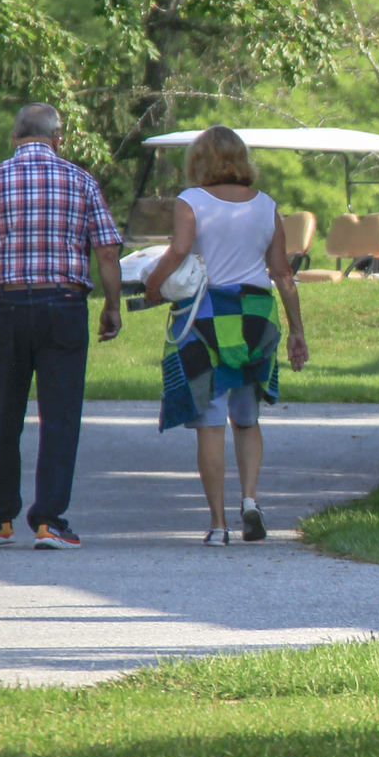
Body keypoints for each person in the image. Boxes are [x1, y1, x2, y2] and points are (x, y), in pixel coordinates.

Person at [0, 103, 124, 549]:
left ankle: (0, 518)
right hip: (63, 304)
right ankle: (49, 521)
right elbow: (105, 252)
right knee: (60, 416)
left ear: (14, 137)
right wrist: (112, 306)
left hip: (5, 307)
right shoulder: (81, 181)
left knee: (6, 413)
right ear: (58, 138)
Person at [144, 126, 310, 544]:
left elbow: (180, 250)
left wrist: (152, 285)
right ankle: (250, 500)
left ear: (199, 161)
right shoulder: (267, 206)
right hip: (256, 316)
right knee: (247, 418)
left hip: (204, 316)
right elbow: (283, 275)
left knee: (211, 423)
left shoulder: (191, 201)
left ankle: (218, 525)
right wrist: (296, 331)